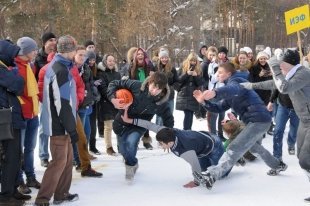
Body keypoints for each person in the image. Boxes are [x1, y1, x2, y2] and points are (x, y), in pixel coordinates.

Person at [192, 62, 287, 190]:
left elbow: (232, 89)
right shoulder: (230, 93)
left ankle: (211, 175)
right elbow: (218, 107)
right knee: (254, 148)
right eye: (217, 73)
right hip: (259, 121)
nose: (217, 75)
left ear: (229, 74)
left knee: (234, 147)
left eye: (220, 72)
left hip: (259, 120)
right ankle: (277, 165)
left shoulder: (237, 82)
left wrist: (215, 92)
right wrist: (203, 102)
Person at [240, 49, 310, 203]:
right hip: (304, 121)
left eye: (281, 64)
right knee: (301, 158)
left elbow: (284, 87)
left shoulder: (304, 74)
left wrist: (274, 67)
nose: (280, 67)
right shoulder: (290, 74)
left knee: (306, 160)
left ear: (289, 63)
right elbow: (275, 84)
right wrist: (251, 86)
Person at [121, 108, 226, 188]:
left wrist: (196, 182)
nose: (160, 145)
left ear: (170, 143)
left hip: (214, 146)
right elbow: (148, 124)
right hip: (202, 143)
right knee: (206, 169)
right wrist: (129, 120)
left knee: (221, 174)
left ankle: (235, 157)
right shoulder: (165, 131)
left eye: (161, 143)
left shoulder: (186, 150)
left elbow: (194, 165)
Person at [35, 35, 79, 205]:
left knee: (67, 161)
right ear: (69, 51)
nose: (76, 52)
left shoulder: (61, 66)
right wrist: (71, 128)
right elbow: (62, 103)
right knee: (59, 162)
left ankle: (61, 193)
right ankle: (42, 199)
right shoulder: (60, 69)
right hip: (59, 125)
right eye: (74, 49)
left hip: (63, 124)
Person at [107, 71, 174, 181]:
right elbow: (114, 83)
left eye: (159, 89)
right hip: (121, 122)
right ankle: (132, 161)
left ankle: (130, 166)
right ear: (149, 83)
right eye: (153, 87)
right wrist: (113, 98)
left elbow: (168, 119)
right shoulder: (136, 85)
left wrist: (169, 137)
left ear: (163, 90)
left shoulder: (161, 102)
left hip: (139, 125)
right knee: (123, 150)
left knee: (131, 143)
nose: (155, 91)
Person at [0, 40, 31, 205]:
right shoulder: (2, 69)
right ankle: (6, 196)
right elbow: (18, 84)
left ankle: (12, 190)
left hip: (12, 118)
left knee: (15, 157)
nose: (14, 58)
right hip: (6, 121)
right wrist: (14, 72)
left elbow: (17, 86)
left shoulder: (6, 69)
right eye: (12, 54)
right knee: (10, 158)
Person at [15, 37, 41, 194]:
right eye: (33, 50)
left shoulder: (30, 66)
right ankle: (19, 180)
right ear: (25, 52)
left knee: (30, 148)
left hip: (33, 113)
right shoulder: (14, 67)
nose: (36, 52)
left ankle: (30, 176)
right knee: (18, 150)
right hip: (21, 114)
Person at [35, 32, 57, 168]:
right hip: (43, 97)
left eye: (55, 40)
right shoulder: (38, 58)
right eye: (50, 40)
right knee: (44, 128)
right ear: (44, 43)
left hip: (58, 97)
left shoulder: (58, 56)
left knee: (57, 128)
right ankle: (43, 156)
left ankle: (57, 155)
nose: (53, 42)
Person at [97, 54, 121, 155]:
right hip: (106, 102)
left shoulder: (117, 74)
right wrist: (112, 98)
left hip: (117, 102)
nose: (111, 62)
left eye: (113, 61)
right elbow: (103, 88)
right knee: (108, 126)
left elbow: (120, 86)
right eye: (109, 61)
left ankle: (121, 145)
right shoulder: (101, 74)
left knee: (119, 125)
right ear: (105, 62)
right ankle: (109, 147)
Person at [175, 52, 204, 130]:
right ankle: (187, 130)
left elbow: (201, 83)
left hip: (193, 95)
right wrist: (186, 74)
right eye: (191, 61)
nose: (193, 63)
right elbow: (178, 80)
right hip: (184, 94)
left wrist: (196, 76)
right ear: (188, 60)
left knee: (190, 114)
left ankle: (187, 130)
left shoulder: (198, 69)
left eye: (194, 61)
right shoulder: (183, 67)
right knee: (188, 113)